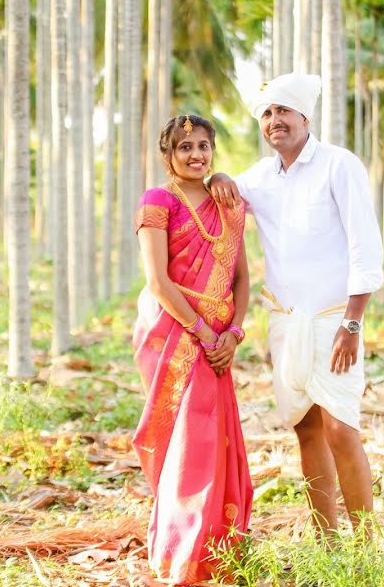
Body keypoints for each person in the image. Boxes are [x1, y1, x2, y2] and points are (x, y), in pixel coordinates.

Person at [208, 73, 384, 535]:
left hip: (335, 324)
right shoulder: (261, 177)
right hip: (285, 325)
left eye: (283, 111)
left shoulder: (338, 165)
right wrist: (221, 176)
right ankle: (327, 544)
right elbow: (223, 194)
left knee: (341, 430)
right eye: (266, 114)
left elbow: (365, 246)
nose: (274, 121)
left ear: (304, 117)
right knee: (306, 430)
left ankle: (367, 545)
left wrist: (353, 323)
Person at [132, 114, 253, 585]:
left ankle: (219, 550)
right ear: (168, 155)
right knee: (185, 443)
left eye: (203, 146)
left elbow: (241, 278)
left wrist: (234, 333)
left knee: (215, 439)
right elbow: (158, 281)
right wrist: (204, 333)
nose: (196, 155)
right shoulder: (157, 201)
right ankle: (180, 554)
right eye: (185, 147)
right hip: (175, 335)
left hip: (219, 339)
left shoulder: (228, 201)